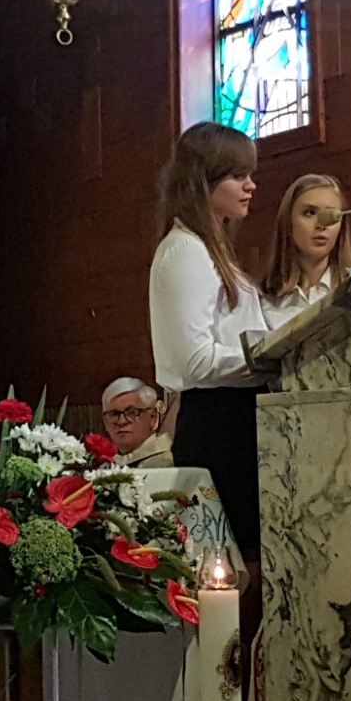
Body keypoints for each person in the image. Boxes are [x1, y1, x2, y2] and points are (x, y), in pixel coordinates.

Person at [148, 121, 266, 560]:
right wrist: (268, 355)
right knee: (232, 564)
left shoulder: (207, 248)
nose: (250, 186)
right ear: (204, 180)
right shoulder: (187, 252)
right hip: (218, 420)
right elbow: (195, 361)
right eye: (238, 175)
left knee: (249, 558)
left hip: (235, 414)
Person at [259, 174, 351, 329]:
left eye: (331, 216)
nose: (322, 225)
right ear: (288, 221)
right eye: (310, 213)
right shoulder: (262, 300)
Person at [100, 376, 173, 467]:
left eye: (132, 413)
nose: (122, 421)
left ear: (153, 417)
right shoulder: (105, 465)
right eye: (113, 414)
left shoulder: (170, 462)